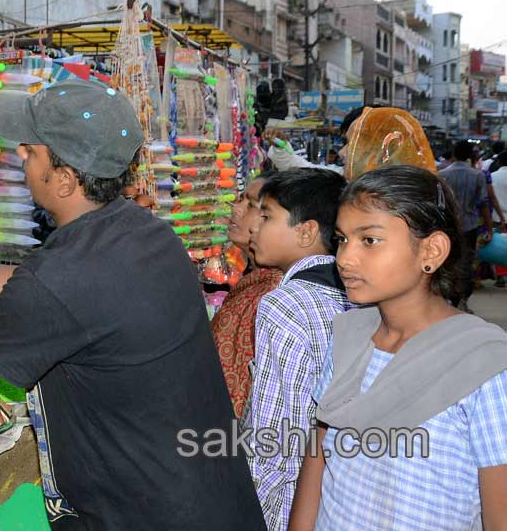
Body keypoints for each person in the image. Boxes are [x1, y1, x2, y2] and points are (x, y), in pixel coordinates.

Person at [0, 78, 265, 530]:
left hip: (149, 513)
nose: (19, 154)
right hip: (210, 495)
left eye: (31, 150)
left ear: (63, 179)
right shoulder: (144, 232)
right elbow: (37, 289)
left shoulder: (67, 275)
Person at [290, 165, 507, 531]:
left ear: (432, 250)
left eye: (369, 240)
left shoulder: (483, 365)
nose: (345, 259)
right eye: (342, 239)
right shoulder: (347, 339)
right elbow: (318, 459)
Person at [243, 167, 351, 531]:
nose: (254, 227)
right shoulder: (357, 294)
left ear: (306, 232)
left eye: (267, 216)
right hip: (337, 497)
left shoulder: (285, 305)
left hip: (288, 503)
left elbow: (270, 436)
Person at [210, 173, 282, 418]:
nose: (236, 208)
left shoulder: (270, 294)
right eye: (240, 199)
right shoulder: (254, 279)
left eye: (250, 204)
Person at [438, 140, 493, 310]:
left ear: (453, 154)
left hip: (447, 226)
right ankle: (462, 300)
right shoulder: (478, 175)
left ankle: (449, 298)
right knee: (467, 262)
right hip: (469, 226)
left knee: (448, 261)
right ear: (470, 156)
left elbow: (438, 204)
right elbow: (483, 203)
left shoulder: (442, 174)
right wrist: (489, 229)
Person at [491, 151, 507, 287]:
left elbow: (490, 198)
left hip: (497, 217)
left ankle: (501, 276)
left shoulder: (493, 177)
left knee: (499, 247)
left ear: (498, 162)